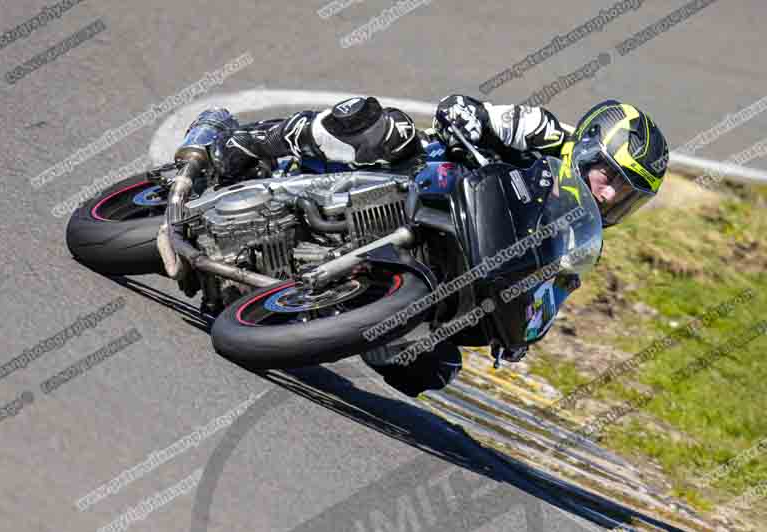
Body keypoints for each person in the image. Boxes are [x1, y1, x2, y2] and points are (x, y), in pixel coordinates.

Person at [189, 95, 669, 396]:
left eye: (628, 195)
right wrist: (466, 116)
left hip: (456, 261)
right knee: (380, 126)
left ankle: (338, 305)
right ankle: (246, 142)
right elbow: (478, 112)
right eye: (611, 178)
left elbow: (553, 293)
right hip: (425, 181)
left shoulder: (580, 237)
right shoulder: (542, 132)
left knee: (430, 371)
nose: (609, 195)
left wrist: (524, 331)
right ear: (587, 148)